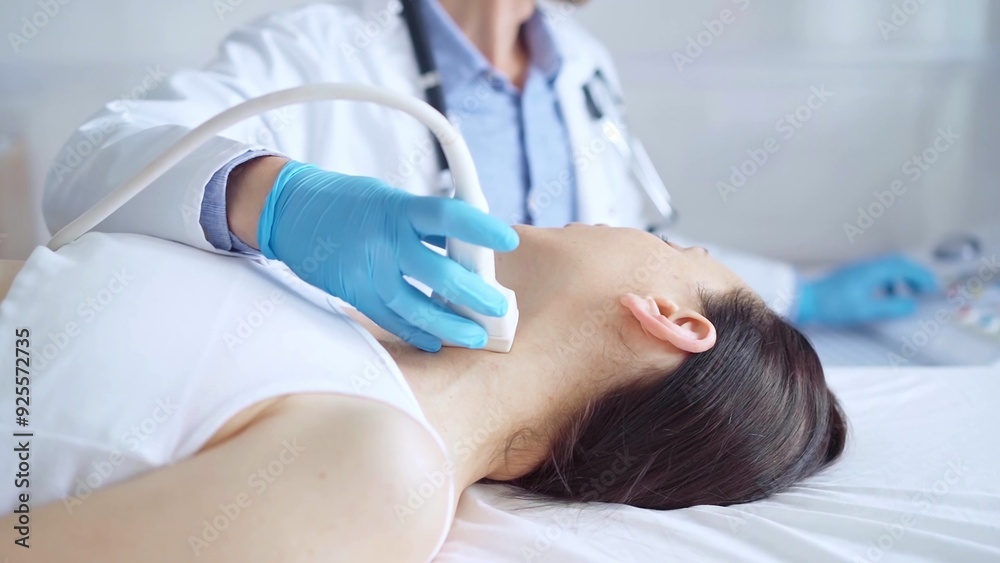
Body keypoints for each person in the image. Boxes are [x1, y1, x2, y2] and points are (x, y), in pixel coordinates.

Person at [42, 0, 938, 354]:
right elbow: (90, 167)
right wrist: (272, 198)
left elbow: (639, 242)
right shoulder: (322, 43)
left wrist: (800, 295)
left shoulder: (577, 64)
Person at [0, 224, 846, 561]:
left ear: (672, 319)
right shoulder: (339, 318)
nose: (625, 222)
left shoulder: (386, 474)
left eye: (668, 240)